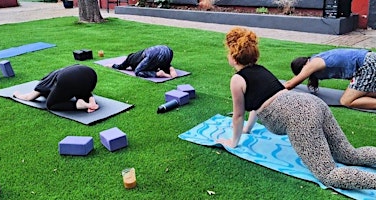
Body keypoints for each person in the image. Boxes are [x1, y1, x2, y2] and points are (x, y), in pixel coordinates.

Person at [217, 27, 376, 190]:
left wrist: (233, 142)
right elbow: (256, 104)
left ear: (234, 58)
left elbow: (237, 115)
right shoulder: (261, 70)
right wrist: (247, 129)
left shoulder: (237, 79)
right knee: (349, 154)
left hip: (299, 115)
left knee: (328, 174)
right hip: (313, 103)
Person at [284, 48, 376, 110]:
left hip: (368, 64)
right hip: (368, 61)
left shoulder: (313, 63)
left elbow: (290, 84)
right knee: (363, 93)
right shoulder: (316, 60)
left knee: (346, 101)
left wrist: (273, 90)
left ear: (303, 66)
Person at [13, 65, 99, 113]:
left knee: (51, 105)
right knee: (80, 86)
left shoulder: (44, 83)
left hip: (69, 79)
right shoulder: (57, 73)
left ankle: (79, 105)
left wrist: (17, 95)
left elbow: (28, 97)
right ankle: (90, 99)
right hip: (90, 73)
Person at [109, 45, 178, 78]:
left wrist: (112, 65)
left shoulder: (129, 59)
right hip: (167, 50)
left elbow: (121, 66)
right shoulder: (138, 56)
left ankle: (160, 74)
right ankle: (171, 69)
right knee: (162, 64)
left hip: (151, 55)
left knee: (138, 72)